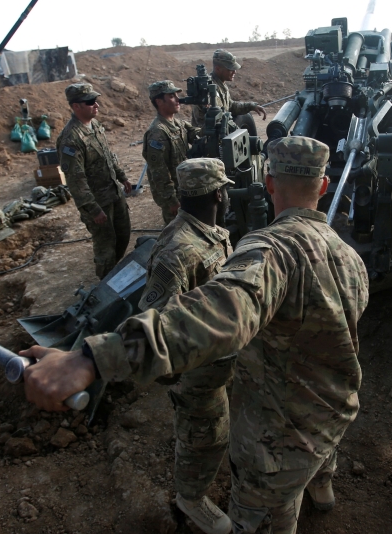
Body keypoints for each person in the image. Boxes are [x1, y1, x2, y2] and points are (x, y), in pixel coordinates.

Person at [22, 136, 369, 534]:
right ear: (323, 187)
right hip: (335, 408)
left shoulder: (270, 251)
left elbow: (224, 313)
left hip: (279, 435)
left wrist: (94, 358)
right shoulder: (349, 254)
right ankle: (322, 491)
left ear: (270, 184)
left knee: (264, 510)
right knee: (312, 463)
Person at [137, 157, 235, 534]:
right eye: (224, 188)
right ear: (218, 194)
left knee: (219, 429)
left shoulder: (209, 232)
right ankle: (190, 499)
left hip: (219, 357)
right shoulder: (178, 250)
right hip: (198, 373)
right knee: (203, 438)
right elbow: (155, 323)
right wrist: (177, 379)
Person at [56, 83, 133, 278]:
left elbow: (108, 156)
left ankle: (115, 275)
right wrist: (93, 209)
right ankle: (106, 284)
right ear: (76, 107)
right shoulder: (71, 139)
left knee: (123, 234)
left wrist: (122, 177)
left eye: (95, 100)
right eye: (90, 102)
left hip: (113, 193)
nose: (96, 105)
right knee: (105, 247)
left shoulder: (96, 126)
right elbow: (76, 180)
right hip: (98, 202)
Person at [142, 80, 200, 225]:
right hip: (175, 195)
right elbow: (158, 172)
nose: (177, 99)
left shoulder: (178, 124)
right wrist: (171, 201)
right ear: (159, 102)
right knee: (178, 237)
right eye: (172, 96)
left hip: (186, 188)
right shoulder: (157, 133)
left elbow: (197, 135)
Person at [191, 49, 267, 129]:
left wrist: (251, 106)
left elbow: (231, 106)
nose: (234, 72)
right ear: (218, 69)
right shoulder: (210, 88)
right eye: (230, 69)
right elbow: (219, 117)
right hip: (208, 137)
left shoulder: (220, 84)